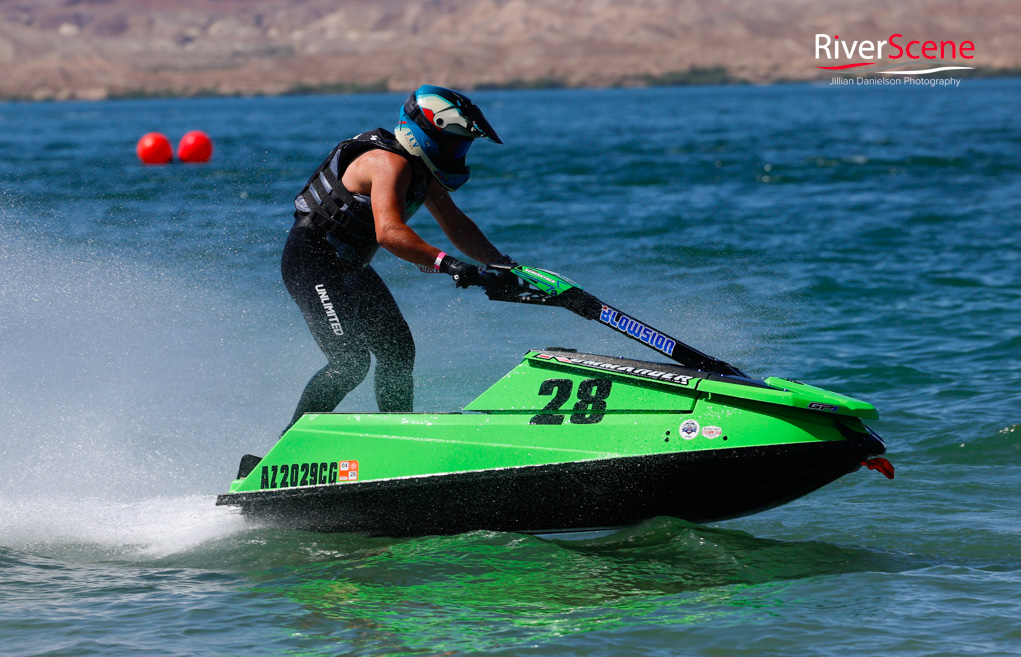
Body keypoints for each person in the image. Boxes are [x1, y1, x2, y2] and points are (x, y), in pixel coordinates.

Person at [280, 84, 513, 431]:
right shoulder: (387, 162)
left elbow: (457, 225)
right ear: (426, 132)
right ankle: (285, 451)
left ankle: (396, 433)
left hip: (349, 267)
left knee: (397, 350)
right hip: (313, 259)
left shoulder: (420, 171)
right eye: (453, 142)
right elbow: (388, 233)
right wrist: (448, 264)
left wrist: (502, 264)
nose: (457, 151)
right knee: (349, 362)